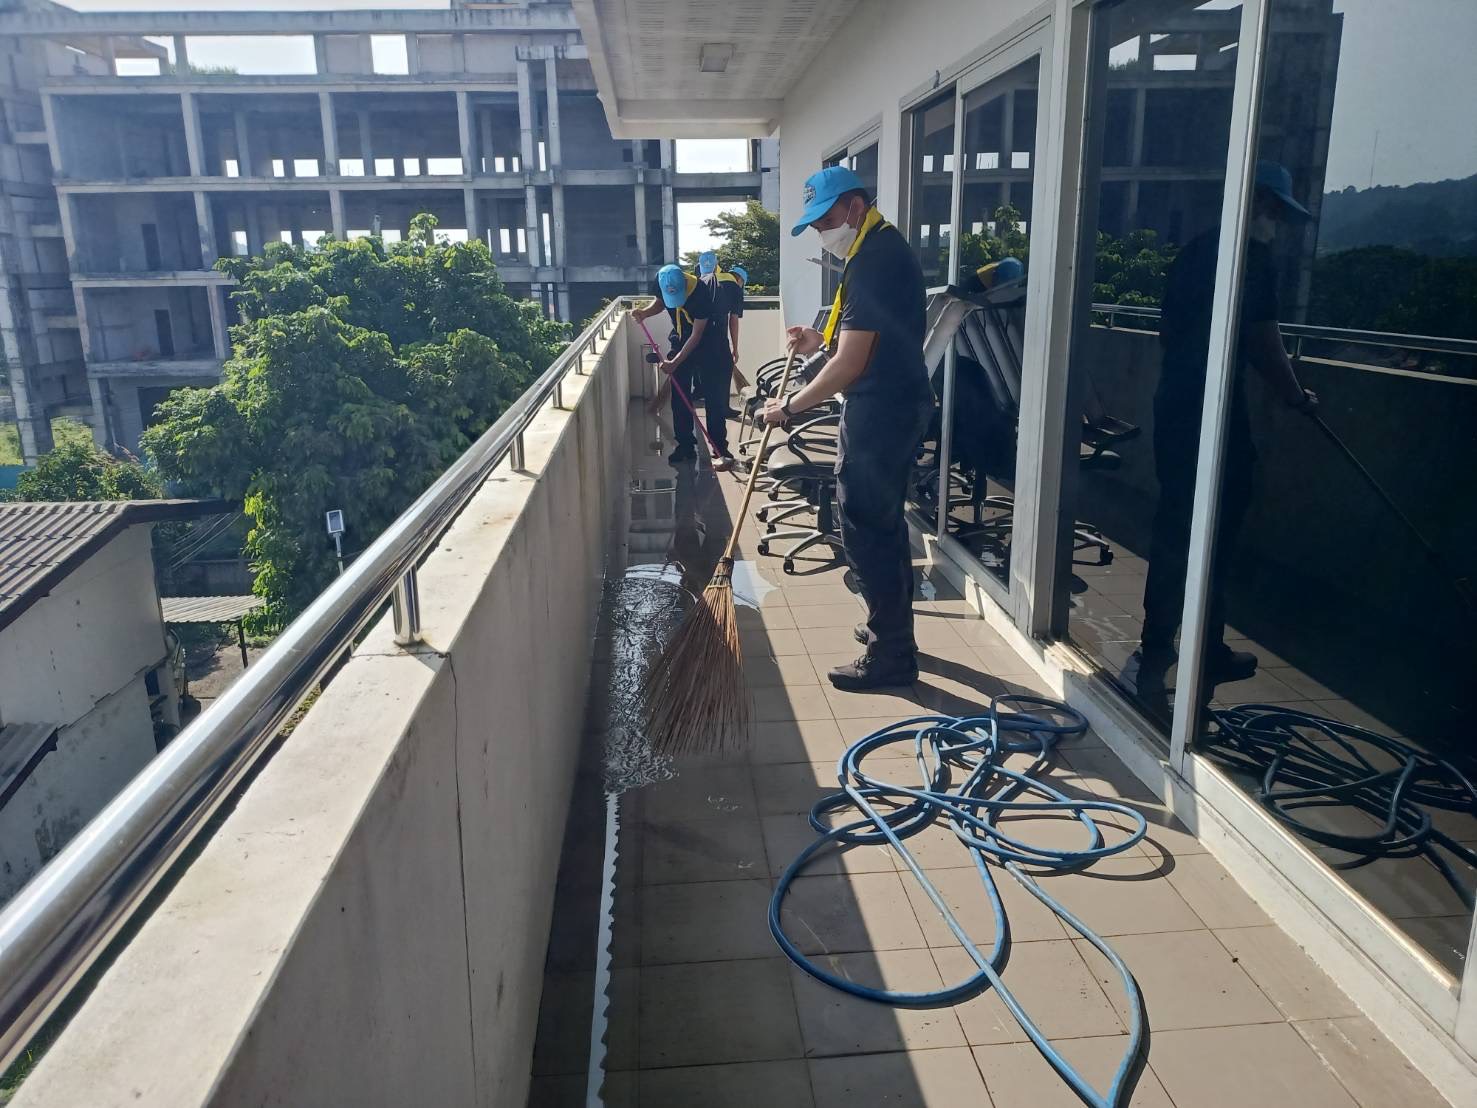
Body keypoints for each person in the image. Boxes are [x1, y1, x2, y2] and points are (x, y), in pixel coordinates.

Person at [1134, 160, 1320, 707]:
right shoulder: (1249, 259)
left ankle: (1161, 645)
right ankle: (1199, 647)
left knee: (1176, 525)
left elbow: (1169, 331)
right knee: (1213, 532)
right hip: (1212, 414)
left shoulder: (1195, 252)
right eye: (1276, 213)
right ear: (1258, 203)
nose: (1276, 226)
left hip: (1175, 406)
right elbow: (1263, 341)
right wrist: (1295, 396)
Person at [762, 166, 933, 690]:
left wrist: (789, 407)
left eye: (826, 219)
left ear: (855, 208)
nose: (821, 231)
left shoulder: (875, 261)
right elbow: (863, 338)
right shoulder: (873, 249)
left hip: (882, 411)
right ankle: (892, 631)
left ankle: (891, 656)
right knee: (883, 526)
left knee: (865, 530)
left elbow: (852, 363)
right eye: (815, 224)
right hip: (892, 404)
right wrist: (818, 341)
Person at [633, 263, 736, 469]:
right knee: (679, 397)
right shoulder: (661, 281)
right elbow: (660, 303)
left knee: (714, 398)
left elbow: (696, 335)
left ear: (684, 283)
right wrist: (645, 313)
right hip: (680, 339)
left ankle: (719, 448)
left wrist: (674, 362)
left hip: (711, 346)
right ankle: (685, 446)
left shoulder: (702, 292)